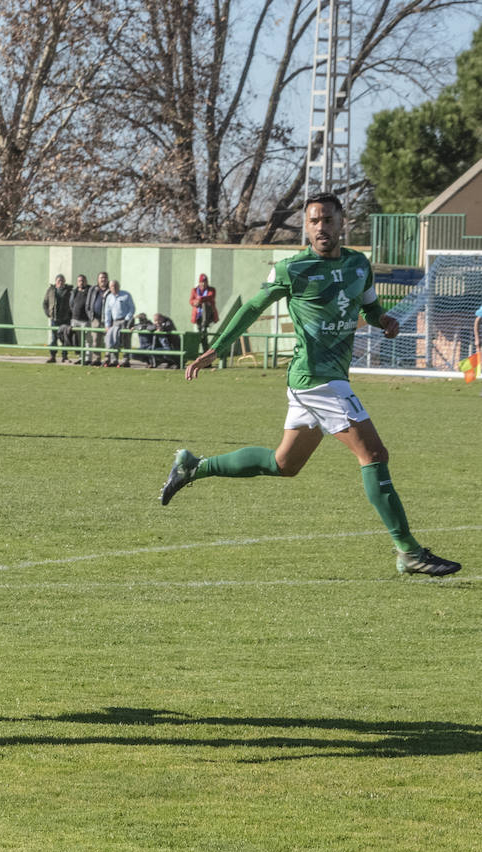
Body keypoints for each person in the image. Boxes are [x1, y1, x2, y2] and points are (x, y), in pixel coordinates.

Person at [160, 191, 460, 577]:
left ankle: (193, 467)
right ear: (307, 226)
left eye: (328, 220)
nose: (321, 227)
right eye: (314, 221)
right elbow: (253, 307)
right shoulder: (292, 269)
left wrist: (384, 320)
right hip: (316, 380)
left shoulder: (358, 265)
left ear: (341, 222)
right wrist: (215, 349)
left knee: (283, 464)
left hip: (325, 380)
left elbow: (369, 308)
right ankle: (408, 551)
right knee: (373, 455)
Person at [70, 274, 103, 366]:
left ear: (86, 281)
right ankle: (81, 358)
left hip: (86, 320)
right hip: (75, 319)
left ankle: (88, 359)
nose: (81, 282)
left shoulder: (90, 290)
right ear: (77, 282)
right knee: (79, 341)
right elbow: (71, 304)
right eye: (80, 281)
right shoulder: (75, 291)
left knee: (88, 341)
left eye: (83, 280)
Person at [102, 278, 135, 367]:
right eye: (112, 286)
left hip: (126, 321)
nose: (114, 288)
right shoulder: (109, 297)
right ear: (109, 287)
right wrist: (107, 325)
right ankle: (114, 360)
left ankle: (126, 360)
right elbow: (107, 312)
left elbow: (132, 308)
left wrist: (127, 319)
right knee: (113, 339)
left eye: (115, 286)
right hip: (115, 321)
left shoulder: (126, 295)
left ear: (118, 286)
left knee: (126, 341)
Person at [42, 273, 73, 363]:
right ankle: (52, 356)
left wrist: (70, 315)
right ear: (56, 282)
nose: (61, 282)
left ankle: (64, 356)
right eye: (59, 280)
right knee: (54, 338)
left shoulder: (69, 291)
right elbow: (45, 303)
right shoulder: (51, 290)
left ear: (65, 282)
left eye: (62, 280)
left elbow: (72, 304)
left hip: (65, 319)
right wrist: (48, 314)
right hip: (54, 319)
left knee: (64, 339)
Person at [190, 273, 218, 351]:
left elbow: (210, 297)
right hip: (198, 316)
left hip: (208, 316)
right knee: (202, 337)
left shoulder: (211, 290)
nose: (204, 283)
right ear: (199, 282)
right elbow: (191, 301)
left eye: (205, 282)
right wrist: (195, 302)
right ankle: (204, 354)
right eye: (202, 282)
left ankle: (204, 325)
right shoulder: (194, 290)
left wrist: (199, 299)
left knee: (205, 304)